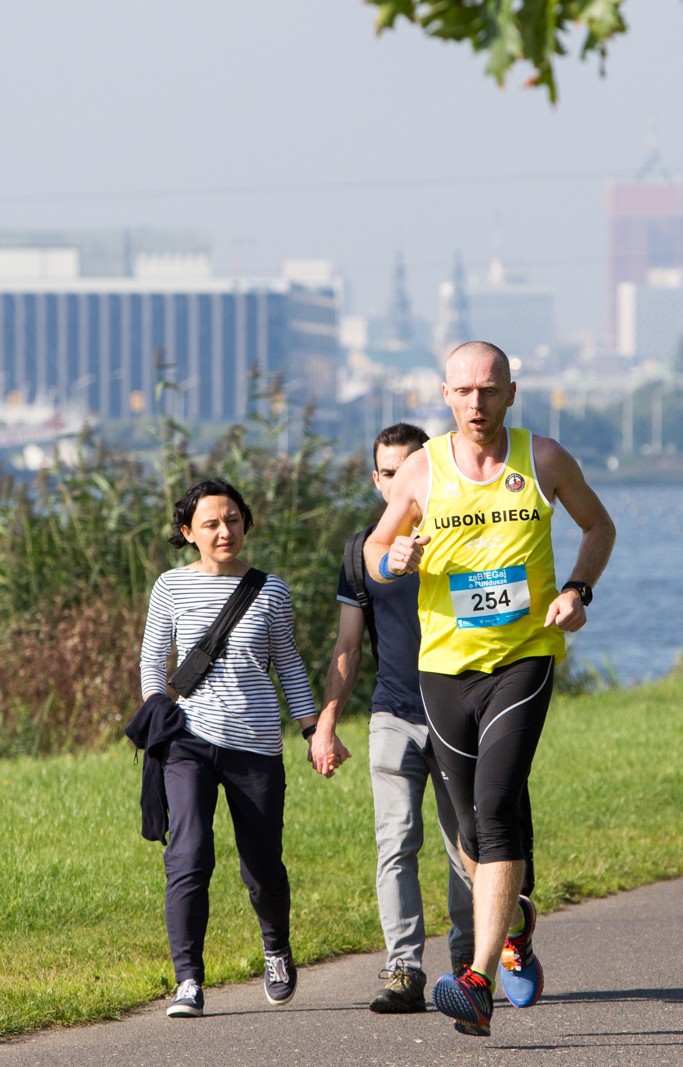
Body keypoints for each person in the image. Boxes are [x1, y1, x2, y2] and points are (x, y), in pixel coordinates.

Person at [364, 341, 616, 1037]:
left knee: (497, 802)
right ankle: (515, 927)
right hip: (443, 668)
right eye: (465, 391)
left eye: (491, 390)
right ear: (446, 395)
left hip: (523, 658)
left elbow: (599, 525)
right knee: (470, 829)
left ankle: (475, 982)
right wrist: (396, 555)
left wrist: (577, 588)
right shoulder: (421, 469)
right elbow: (374, 552)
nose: (478, 403)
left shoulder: (546, 459)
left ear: (511, 393)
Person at [305, 423, 479, 1013]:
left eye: (410, 468)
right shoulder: (362, 553)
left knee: (466, 846)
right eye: (387, 472)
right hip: (393, 716)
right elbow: (348, 647)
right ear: (377, 480)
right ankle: (403, 970)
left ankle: (466, 965)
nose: (398, 480)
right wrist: (326, 721)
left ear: (428, 470)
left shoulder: (465, 533)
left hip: (459, 714)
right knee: (395, 844)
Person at [139, 478, 320, 1018]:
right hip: (188, 743)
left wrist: (314, 728)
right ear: (187, 532)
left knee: (262, 867)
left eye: (233, 519)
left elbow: (287, 663)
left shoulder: (271, 590)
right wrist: (157, 708)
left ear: (245, 522)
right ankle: (188, 981)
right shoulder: (170, 588)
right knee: (189, 855)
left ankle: (276, 948)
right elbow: (152, 661)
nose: (225, 531)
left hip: (257, 746)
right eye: (212, 523)